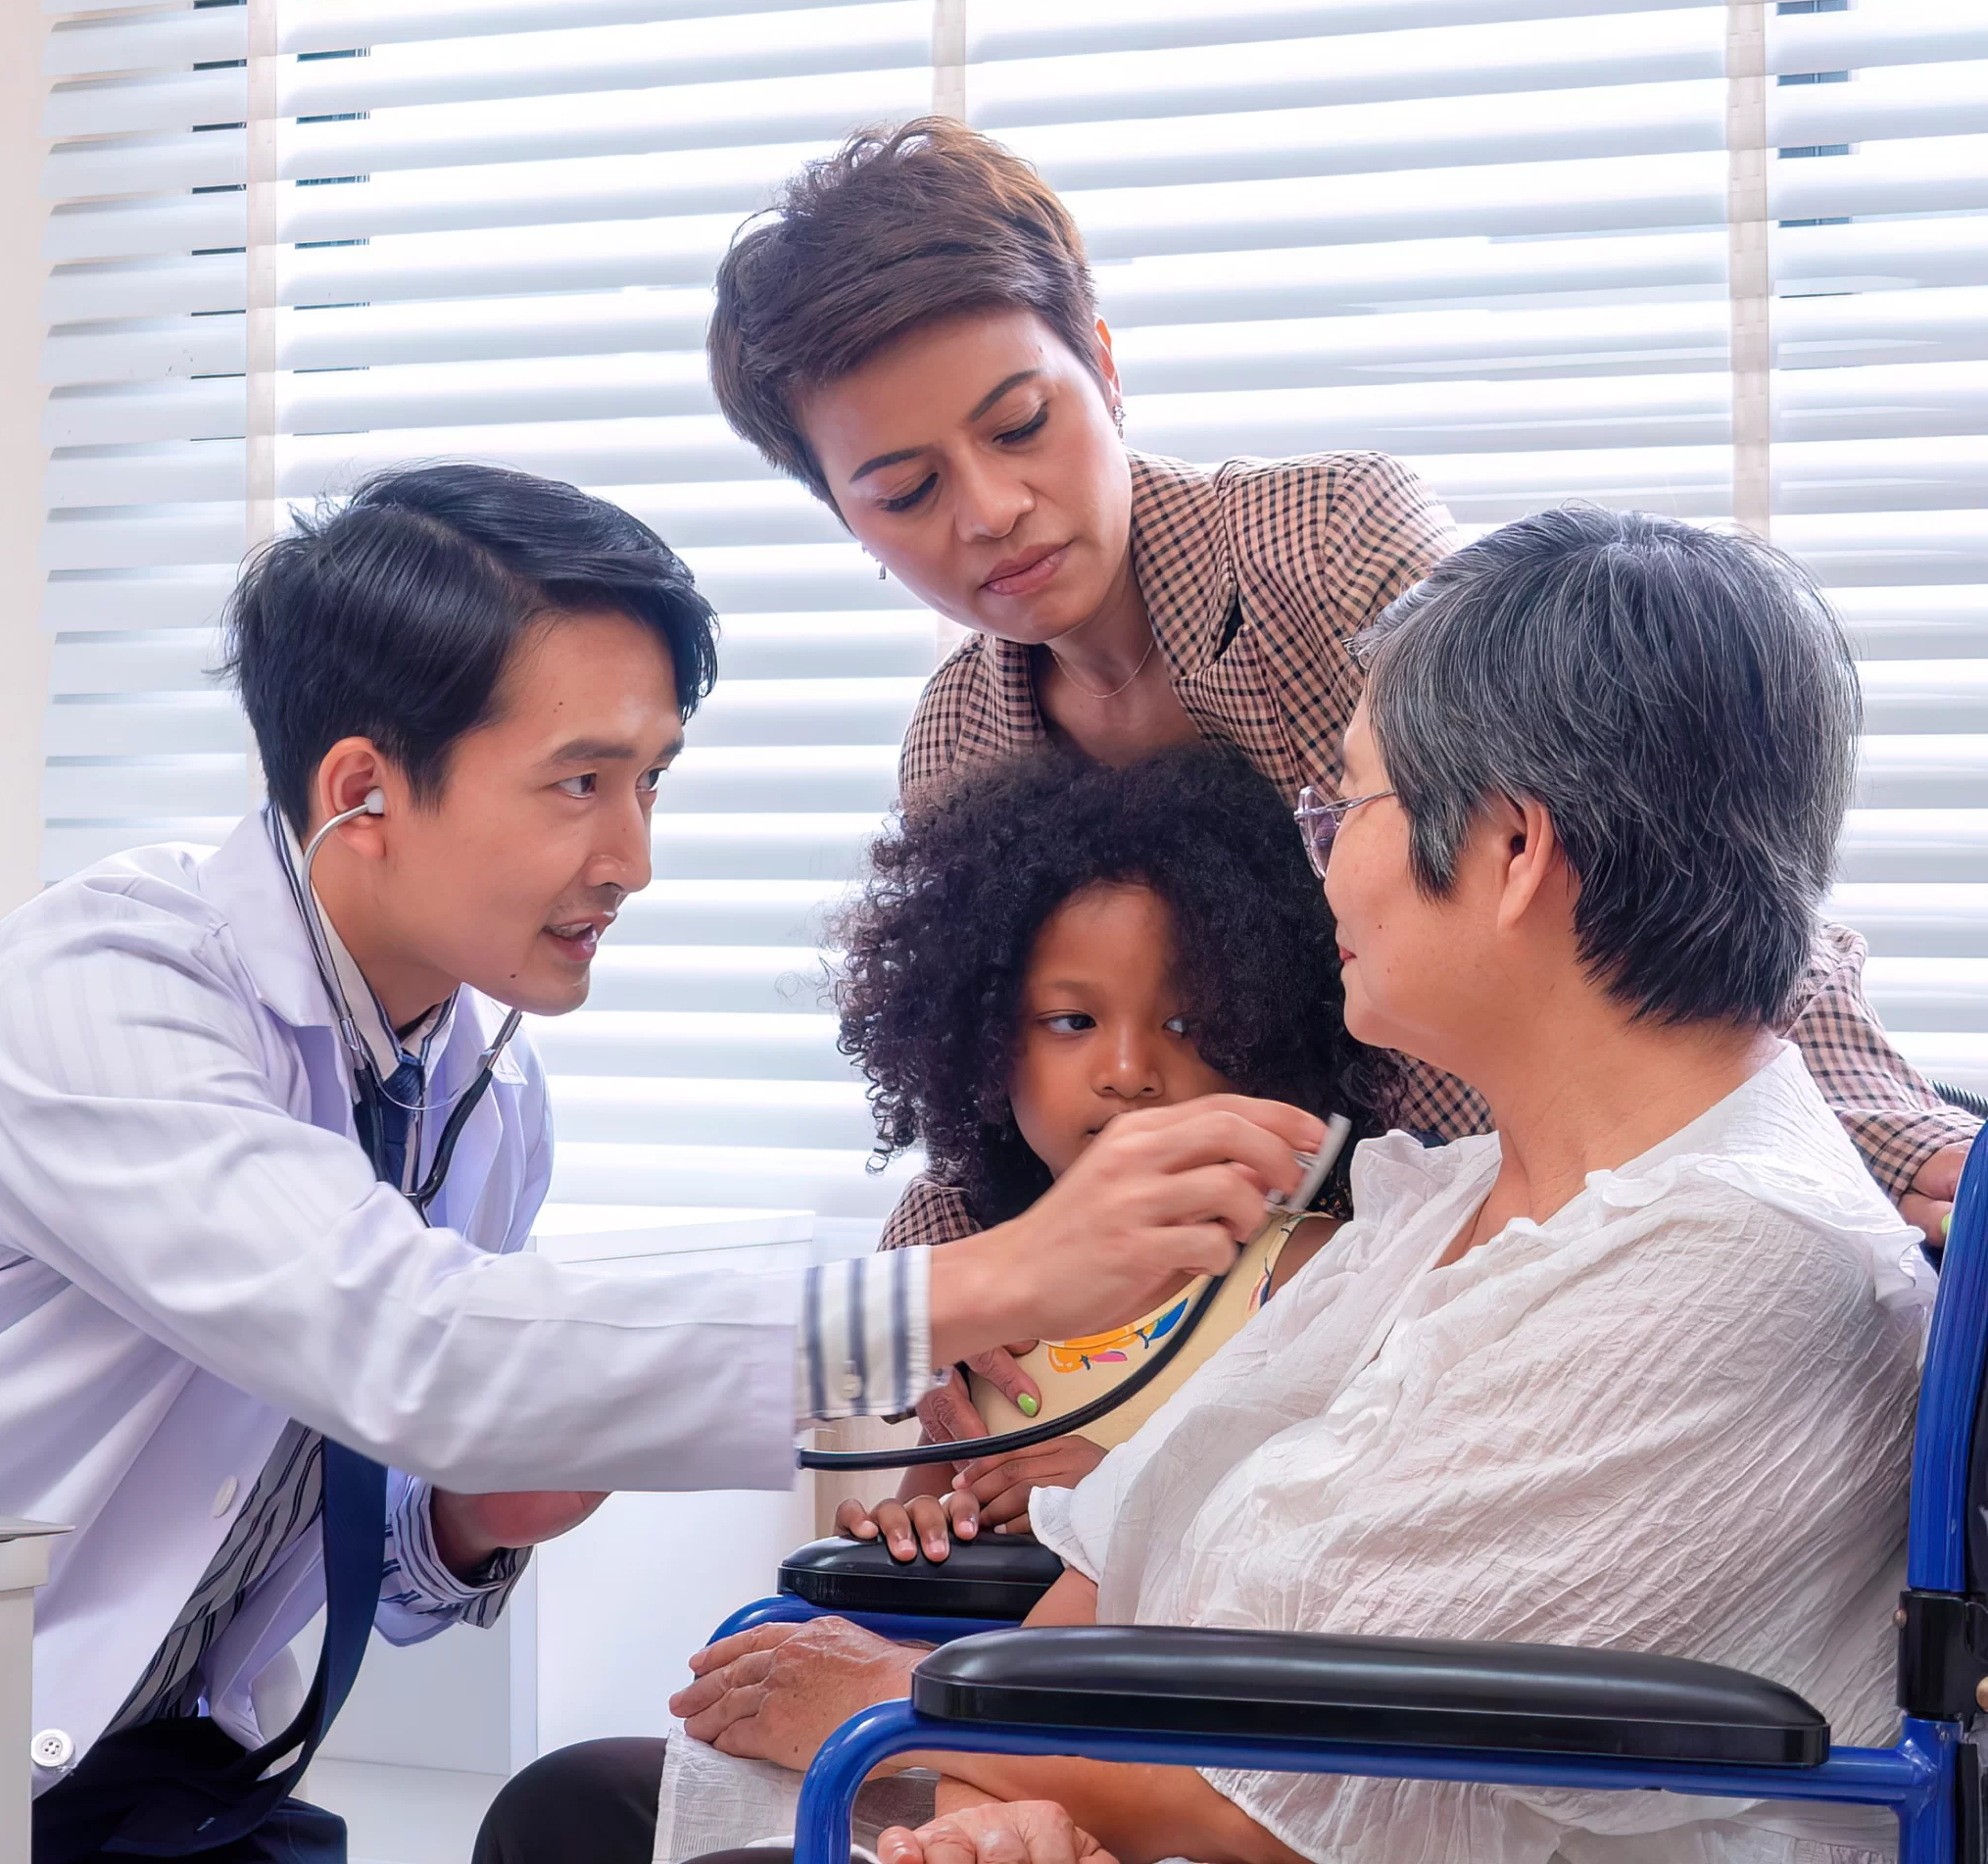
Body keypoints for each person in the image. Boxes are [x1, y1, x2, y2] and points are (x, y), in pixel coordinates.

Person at [0, 463, 1326, 1864]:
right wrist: (994, 1276)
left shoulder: (481, 1091)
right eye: (579, 783)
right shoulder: (103, 998)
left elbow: (396, 1542)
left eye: (651, 780)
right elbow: (414, 1348)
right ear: (364, 789)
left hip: (151, 1782)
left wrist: (480, 1516)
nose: (631, 857)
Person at [474, 509, 1932, 1864]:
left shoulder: (1727, 1265)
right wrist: (989, 1777)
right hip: (1126, 1782)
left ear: (1507, 850)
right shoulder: (1447, 1201)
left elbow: (1335, 1783)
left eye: (1345, 807)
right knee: (583, 1807)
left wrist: (922, 1715)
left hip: (1212, 1814)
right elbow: (1128, 1558)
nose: (1326, 869)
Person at [705, 115, 1976, 1251]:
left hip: (1560, 1226)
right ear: (843, 514)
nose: (992, 510)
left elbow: (1671, 846)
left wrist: (1902, 1140)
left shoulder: (1325, 550)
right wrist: (928, 1331)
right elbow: (981, 1115)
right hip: (1269, 1306)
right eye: (907, 491)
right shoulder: (962, 747)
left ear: (1101, 359)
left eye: (1022, 422)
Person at [822, 747, 1401, 1564]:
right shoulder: (989, 1313)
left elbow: (1324, 1537)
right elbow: (932, 1526)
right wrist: (906, 1529)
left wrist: (1117, 1494)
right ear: (984, 1051)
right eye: (1071, 1022)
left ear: (1261, 1035)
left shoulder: (1306, 1273)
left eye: (1184, 1024)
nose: (1129, 1074)